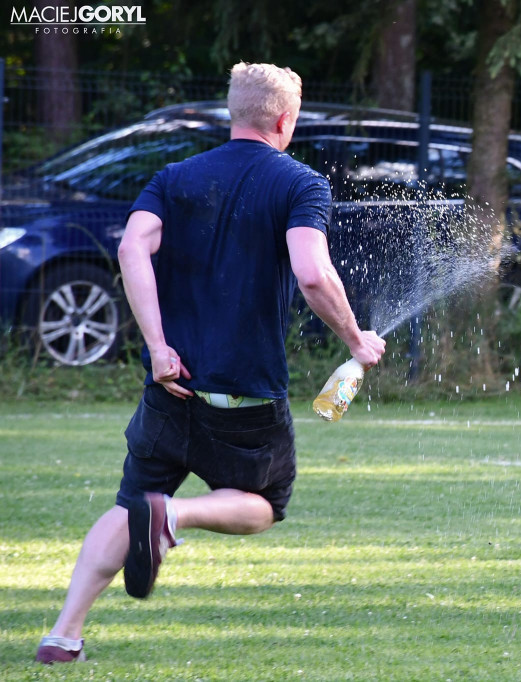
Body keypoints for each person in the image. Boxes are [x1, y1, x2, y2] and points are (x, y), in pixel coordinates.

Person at [35, 62, 386, 664]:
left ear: (233, 112)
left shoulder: (174, 177)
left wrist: (157, 347)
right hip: (244, 396)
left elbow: (131, 247)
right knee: (265, 502)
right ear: (285, 120)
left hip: (169, 389)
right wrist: (356, 341)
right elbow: (311, 273)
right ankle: (173, 516)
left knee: (128, 507)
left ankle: (62, 635)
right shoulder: (301, 184)